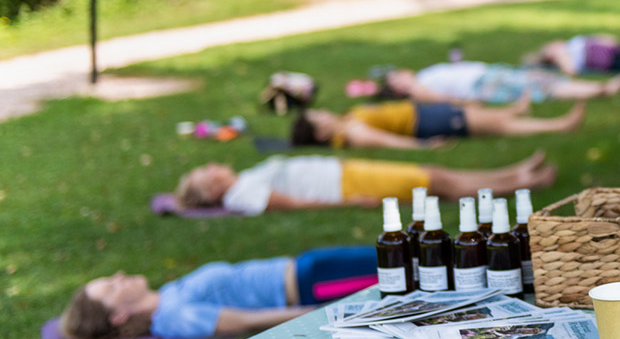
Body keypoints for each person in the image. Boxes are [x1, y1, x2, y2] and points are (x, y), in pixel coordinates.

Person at [57, 247, 377, 339]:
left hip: (308, 267)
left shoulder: (168, 294)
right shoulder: (172, 317)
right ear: (119, 316)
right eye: (111, 288)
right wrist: (324, 312)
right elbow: (247, 321)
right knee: (399, 264)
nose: (119, 277)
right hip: (313, 285)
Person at [173, 151, 555, 215]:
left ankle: (514, 173)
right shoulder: (242, 194)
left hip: (347, 172)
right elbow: (291, 203)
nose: (214, 165)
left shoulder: (241, 181)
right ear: (213, 191)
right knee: (438, 184)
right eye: (208, 172)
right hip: (346, 185)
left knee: (434, 174)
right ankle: (522, 183)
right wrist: (350, 202)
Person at [289, 99, 585, 150]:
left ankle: (516, 110)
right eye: (318, 116)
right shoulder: (353, 132)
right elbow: (386, 141)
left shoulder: (346, 122)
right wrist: (422, 145)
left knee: (491, 119)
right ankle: (560, 125)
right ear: (321, 133)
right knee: (497, 125)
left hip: (422, 113)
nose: (323, 111)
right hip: (425, 123)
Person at [369, 61, 620, 105]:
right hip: (485, 84)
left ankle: (598, 88)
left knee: (543, 81)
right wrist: (469, 103)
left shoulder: (421, 77)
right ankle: (602, 89)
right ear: (399, 88)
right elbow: (443, 100)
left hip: (488, 76)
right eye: (396, 79)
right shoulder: (417, 89)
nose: (401, 74)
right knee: (544, 87)